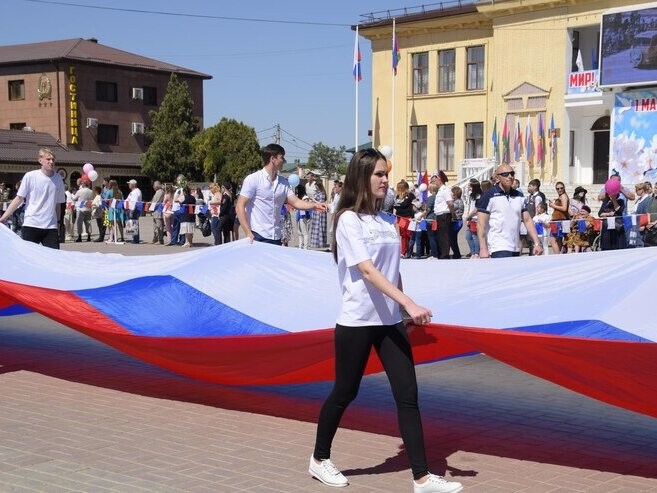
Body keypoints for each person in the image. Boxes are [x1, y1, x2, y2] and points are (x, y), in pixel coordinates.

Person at [309, 148, 463, 493]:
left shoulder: (386, 221)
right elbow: (366, 270)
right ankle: (319, 459)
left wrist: (404, 310)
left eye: (385, 174)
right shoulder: (348, 219)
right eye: (378, 174)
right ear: (361, 177)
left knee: (408, 394)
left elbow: (392, 272)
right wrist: (408, 301)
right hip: (357, 321)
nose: (384, 179)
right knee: (345, 392)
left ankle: (422, 477)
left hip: (389, 321)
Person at [236, 144, 324, 245]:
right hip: (257, 235)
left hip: (276, 236)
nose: (284, 161)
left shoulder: (283, 182)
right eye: (281, 157)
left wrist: (314, 205)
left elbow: (296, 202)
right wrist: (247, 232)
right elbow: (239, 206)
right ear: (272, 159)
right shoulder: (253, 179)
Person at [0, 148, 65, 249]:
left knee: (54, 259)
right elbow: (19, 199)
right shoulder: (30, 176)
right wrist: (4, 217)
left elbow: (58, 205)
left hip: (50, 227)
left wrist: (58, 223)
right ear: (40, 160)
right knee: (28, 259)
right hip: (31, 224)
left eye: (53, 159)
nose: (51, 162)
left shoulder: (58, 179)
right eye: (48, 159)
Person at [477, 165, 543, 258]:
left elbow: (527, 220)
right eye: (505, 174)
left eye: (512, 173)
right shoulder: (489, 195)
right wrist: (483, 249)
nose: (510, 176)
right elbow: (481, 224)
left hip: (515, 247)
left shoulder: (519, 195)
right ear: (497, 178)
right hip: (498, 247)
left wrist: (537, 243)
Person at [547, 181, 569, 254]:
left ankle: (557, 256)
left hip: (559, 220)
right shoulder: (561, 196)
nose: (559, 190)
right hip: (558, 219)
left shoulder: (563, 196)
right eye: (558, 188)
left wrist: (554, 206)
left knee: (553, 240)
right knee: (558, 240)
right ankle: (559, 255)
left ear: (564, 188)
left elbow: (564, 208)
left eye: (561, 188)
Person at [310, 180, 328, 249]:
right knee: (315, 226)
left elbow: (320, 203)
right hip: (316, 211)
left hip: (320, 212)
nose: (316, 188)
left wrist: (314, 200)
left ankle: (320, 242)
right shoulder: (318, 193)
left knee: (319, 226)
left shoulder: (322, 193)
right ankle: (315, 242)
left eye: (316, 186)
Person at [126, 179, 142, 244]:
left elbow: (134, 202)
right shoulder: (134, 191)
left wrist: (131, 211)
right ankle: (134, 238)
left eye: (129, 184)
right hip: (134, 209)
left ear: (133, 185)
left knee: (134, 223)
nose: (128, 185)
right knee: (133, 223)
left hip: (134, 209)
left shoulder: (135, 192)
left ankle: (135, 239)